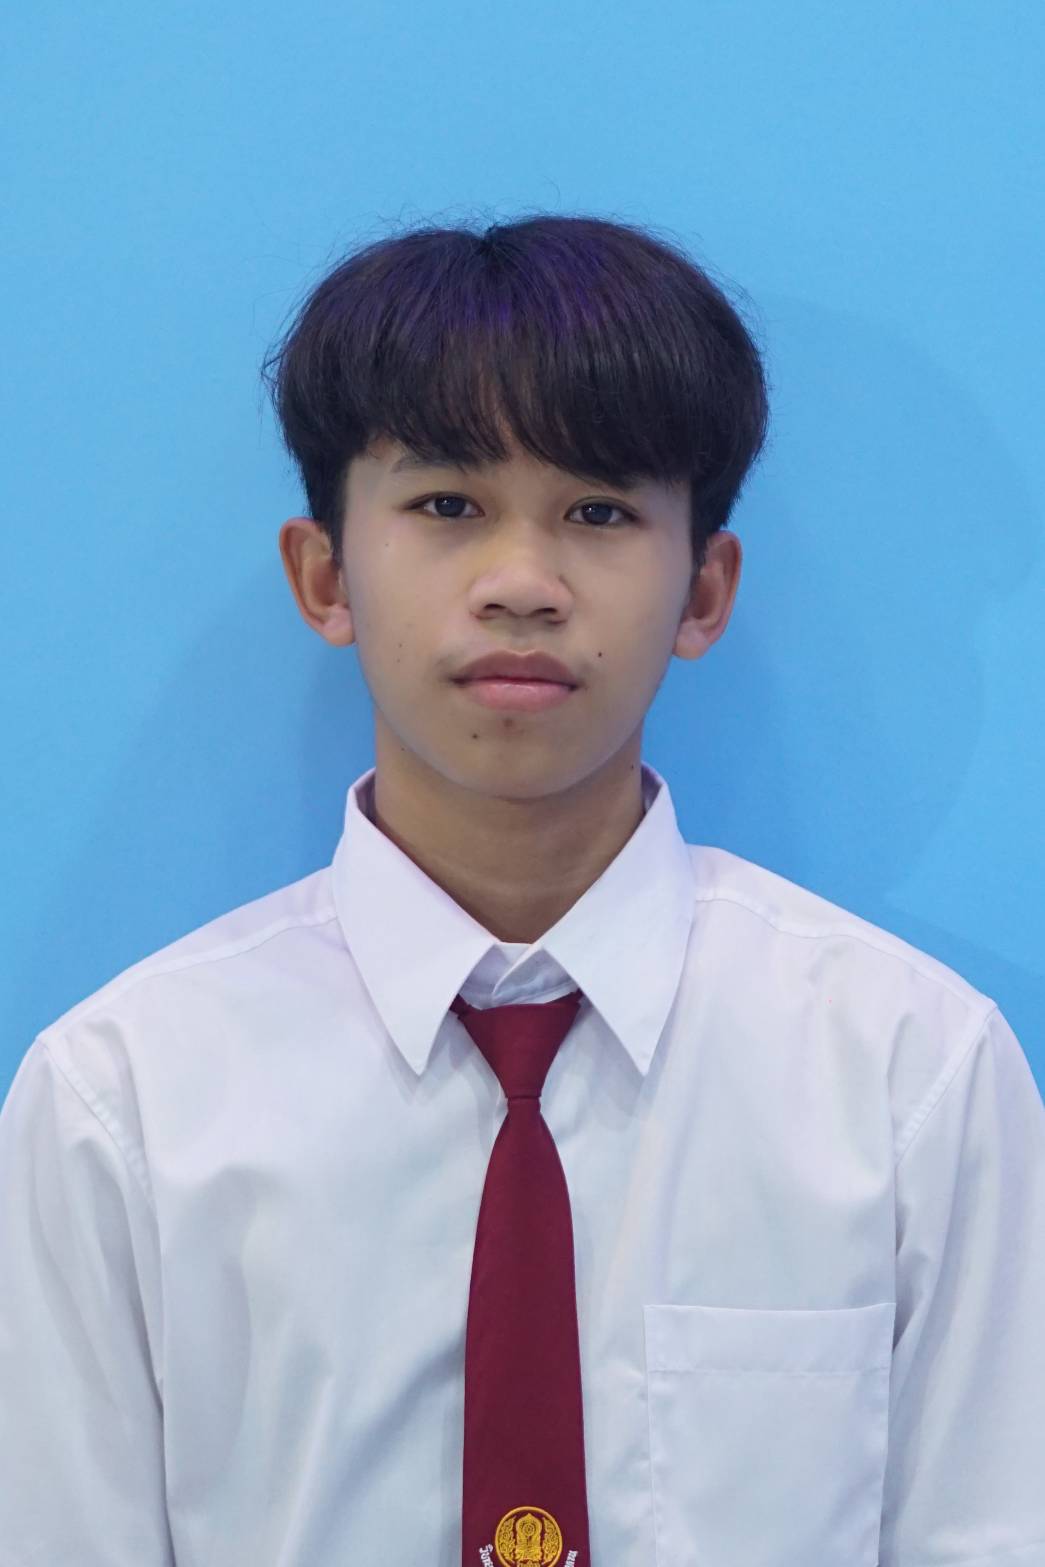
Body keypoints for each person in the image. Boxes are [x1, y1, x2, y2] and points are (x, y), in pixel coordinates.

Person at [1, 212, 1042, 1567]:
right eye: (447, 505)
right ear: (324, 575)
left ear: (703, 591)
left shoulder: (909, 1077)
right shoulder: (122, 1104)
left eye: (599, 512)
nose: (522, 584)